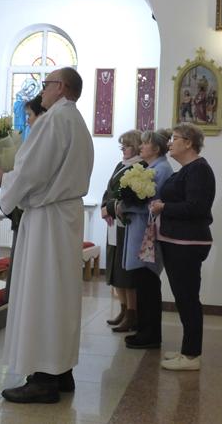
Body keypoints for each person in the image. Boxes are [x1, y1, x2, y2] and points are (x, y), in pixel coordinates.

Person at [0, 67, 93, 403]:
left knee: (42, 293)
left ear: (60, 87)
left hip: (47, 219)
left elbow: (31, 171)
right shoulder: (76, 122)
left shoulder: (54, 120)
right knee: (59, 294)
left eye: (46, 84)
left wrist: (4, 180)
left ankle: (43, 379)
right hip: (63, 216)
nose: (42, 91)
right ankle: (61, 371)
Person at [150, 123, 216, 371]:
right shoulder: (186, 170)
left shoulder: (199, 170)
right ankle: (187, 349)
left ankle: (191, 356)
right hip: (176, 240)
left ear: (188, 142)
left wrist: (163, 207)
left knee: (188, 298)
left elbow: (196, 207)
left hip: (187, 242)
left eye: (174, 138)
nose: (169, 143)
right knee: (183, 297)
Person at [121, 129, 174, 349]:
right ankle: (143, 330)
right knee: (142, 285)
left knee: (148, 286)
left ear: (157, 148)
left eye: (145, 143)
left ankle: (150, 335)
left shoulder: (161, 170)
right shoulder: (151, 167)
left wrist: (124, 206)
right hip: (140, 231)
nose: (141, 146)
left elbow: (153, 205)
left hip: (148, 235)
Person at [4, 94, 47, 301]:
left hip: (33, 209)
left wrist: (5, 179)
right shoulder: (37, 137)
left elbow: (29, 176)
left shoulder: (42, 139)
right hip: (27, 209)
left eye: (29, 115)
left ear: (41, 114)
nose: (27, 120)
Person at [102, 130, 144, 331]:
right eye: (122, 146)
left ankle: (132, 314)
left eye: (126, 146)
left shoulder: (140, 167)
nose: (123, 150)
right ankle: (123, 308)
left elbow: (130, 197)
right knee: (114, 269)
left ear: (136, 147)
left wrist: (110, 208)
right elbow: (109, 189)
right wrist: (105, 207)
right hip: (113, 223)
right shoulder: (121, 165)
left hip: (126, 224)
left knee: (126, 272)